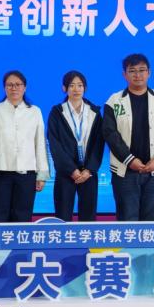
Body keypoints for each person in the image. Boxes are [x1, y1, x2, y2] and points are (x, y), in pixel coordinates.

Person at [102, 54, 154, 221]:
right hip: (125, 171)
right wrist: (130, 160)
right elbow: (109, 133)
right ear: (124, 74)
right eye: (132, 71)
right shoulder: (114, 101)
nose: (137, 75)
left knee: (152, 221)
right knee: (127, 221)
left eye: (142, 70)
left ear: (149, 73)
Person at [0, 70, 48, 223]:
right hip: (0, 173)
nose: (14, 88)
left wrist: (42, 174)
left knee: (22, 217)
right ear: (4, 88)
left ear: (24, 87)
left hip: (26, 174)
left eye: (18, 84)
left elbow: (40, 144)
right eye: (10, 85)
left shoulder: (34, 111)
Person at [47, 70, 105, 222]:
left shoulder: (94, 112)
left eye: (80, 85)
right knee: (62, 216)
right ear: (64, 88)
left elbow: (99, 143)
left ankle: (87, 241)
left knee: (88, 217)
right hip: (66, 173)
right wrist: (71, 170)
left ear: (85, 88)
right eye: (71, 85)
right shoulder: (57, 112)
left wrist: (90, 169)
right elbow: (54, 144)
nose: (76, 89)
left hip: (88, 173)